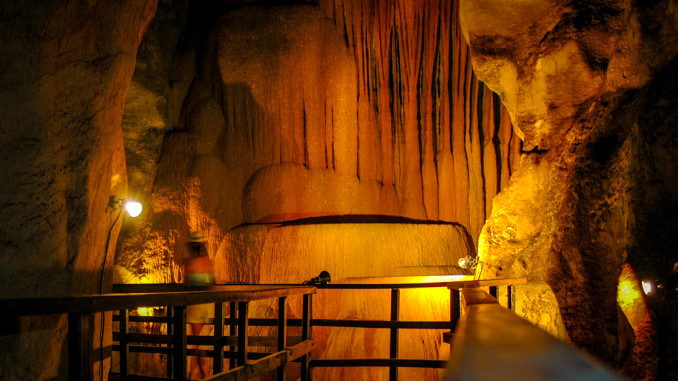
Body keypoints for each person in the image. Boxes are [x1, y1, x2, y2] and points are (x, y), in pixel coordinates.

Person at [184, 231, 215, 379]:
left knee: (197, 343)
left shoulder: (190, 263)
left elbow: (187, 285)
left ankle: (204, 373)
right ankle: (193, 373)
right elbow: (213, 283)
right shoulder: (209, 263)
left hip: (195, 304)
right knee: (197, 342)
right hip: (205, 304)